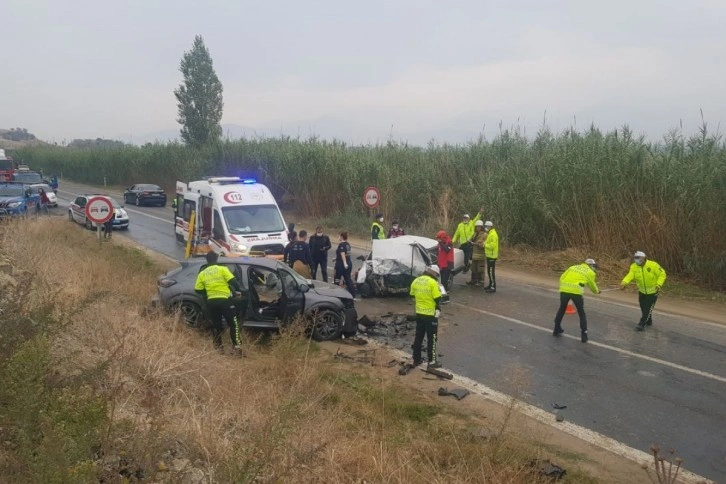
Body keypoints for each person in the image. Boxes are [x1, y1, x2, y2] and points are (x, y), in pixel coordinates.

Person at [194, 251, 244, 351]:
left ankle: (218, 348)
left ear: (207, 260)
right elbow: (233, 282)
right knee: (233, 324)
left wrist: (207, 293)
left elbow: (197, 289)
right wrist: (240, 290)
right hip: (225, 301)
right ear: (216, 259)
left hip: (211, 303)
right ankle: (237, 348)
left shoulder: (202, 273)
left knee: (216, 326)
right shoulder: (222, 269)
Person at [553, 259, 600, 343]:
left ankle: (556, 329)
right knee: (581, 313)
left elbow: (561, 278)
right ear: (590, 265)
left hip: (564, 290)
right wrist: (597, 291)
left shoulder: (572, 267)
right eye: (593, 266)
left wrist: (566, 286)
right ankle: (584, 335)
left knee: (562, 309)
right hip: (576, 292)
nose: (594, 268)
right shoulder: (590, 272)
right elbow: (592, 285)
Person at [620, 251, 667, 331]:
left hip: (653, 292)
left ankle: (641, 324)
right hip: (642, 291)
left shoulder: (653, 265)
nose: (636, 260)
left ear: (643, 258)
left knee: (647, 308)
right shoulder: (634, 266)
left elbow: (662, 275)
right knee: (643, 307)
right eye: (635, 258)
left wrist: (659, 284)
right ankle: (648, 321)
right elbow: (630, 275)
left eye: (638, 258)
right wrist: (624, 282)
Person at [410, 265, 443, 369]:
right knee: (432, 339)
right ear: (434, 273)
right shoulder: (433, 283)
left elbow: (412, 296)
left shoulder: (416, 281)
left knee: (418, 337)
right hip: (430, 315)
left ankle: (416, 359)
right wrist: (438, 310)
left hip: (419, 314)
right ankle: (432, 362)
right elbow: (438, 299)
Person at [452, 207, 485, 272]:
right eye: (464, 218)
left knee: (466, 257)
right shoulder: (460, 225)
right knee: (461, 257)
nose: (465, 219)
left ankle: (466, 267)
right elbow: (456, 234)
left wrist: (480, 213)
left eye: (466, 218)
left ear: (469, 218)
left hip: (468, 243)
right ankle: (466, 265)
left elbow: (477, 218)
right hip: (462, 244)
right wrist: (452, 241)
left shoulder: (471, 223)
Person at [334, 231, 356, 297]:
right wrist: (336, 258)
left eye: (339, 236)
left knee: (337, 279)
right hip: (349, 264)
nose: (339, 237)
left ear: (341, 237)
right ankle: (353, 295)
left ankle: (335, 294)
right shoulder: (347, 244)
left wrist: (344, 263)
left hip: (341, 265)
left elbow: (343, 254)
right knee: (348, 279)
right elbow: (346, 254)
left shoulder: (341, 245)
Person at [467, 220, 487, 286]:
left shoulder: (485, 235)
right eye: (477, 226)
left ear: (481, 227)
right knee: (473, 268)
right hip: (474, 253)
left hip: (481, 254)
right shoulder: (474, 234)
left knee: (480, 268)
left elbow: (484, 244)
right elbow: (471, 239)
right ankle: (473, 280)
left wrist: (477, 244)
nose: (477, 228)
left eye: (479, 226)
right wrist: (469, 241)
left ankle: (481, 281)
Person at [484, 221, 499, 293]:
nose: (486, 228)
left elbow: (492, 246)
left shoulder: (493, 234)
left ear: (490, 227)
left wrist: (484, 245)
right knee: (489, 271)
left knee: (491, 272)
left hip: (492, 256)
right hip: (489, 255)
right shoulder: (490, 233)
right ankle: (490, 284)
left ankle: (493, 287)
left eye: (487, 226)